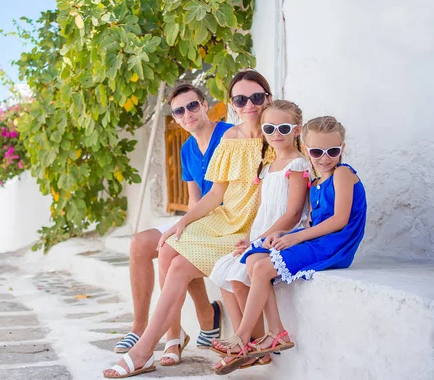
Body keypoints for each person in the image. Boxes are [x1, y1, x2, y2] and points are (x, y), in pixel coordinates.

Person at [103, 69, 272, 378]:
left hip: (246, 225)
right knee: (165, 244)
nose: (249, 104)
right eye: (240, 99)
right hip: (218, 220)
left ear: (206, 104)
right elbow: (207, 196)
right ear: (231, 102)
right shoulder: (218, 142)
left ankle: (164, 341)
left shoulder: (271, 133)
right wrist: (183, 224)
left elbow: (280, 193)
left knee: (174, 256)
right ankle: (163, 336)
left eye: (256, 97)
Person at [211, 116, 367, 374]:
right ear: (306, 149)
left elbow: (340, 220)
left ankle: (242, 336)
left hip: (336, 245)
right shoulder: (316, 182)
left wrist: (296, 237)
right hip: (318, 241)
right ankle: (276, 332)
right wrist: (283, 233)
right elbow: (310, 223)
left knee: (262, 269)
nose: (325, 158)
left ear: (343, 148)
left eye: (333, 151)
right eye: (317, 151)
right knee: (253, 259)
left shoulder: (343, 173)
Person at [114, 84, 232, 357]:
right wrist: (188, 224)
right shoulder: (187, 148)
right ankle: (140, 325)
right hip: (201, 215)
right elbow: (194, 198)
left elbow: (218, 194)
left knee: (175, 245)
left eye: (192, 106)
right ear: (176, 118)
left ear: (205, 105)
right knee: (140, 244)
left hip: (225, 219)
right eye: (179, 111)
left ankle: (174, 335)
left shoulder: (227, 135)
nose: (187, 114)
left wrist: (188, 226)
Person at [209, 99, 311, 370]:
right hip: (263, 233)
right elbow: (265, 208)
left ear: (297, 130)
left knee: (248, 266)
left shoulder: (298, 164)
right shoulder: (268, 166)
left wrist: (259, 241)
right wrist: (251, 238)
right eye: (269, 127)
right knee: (225, 269)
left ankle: (243, 341)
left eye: (284, 127)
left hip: (283, 234)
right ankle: (261, 340)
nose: (276, 133)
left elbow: (291, 214)